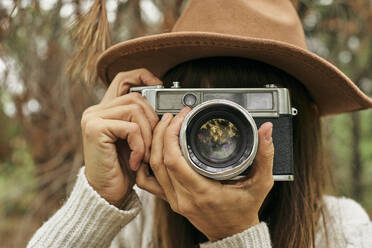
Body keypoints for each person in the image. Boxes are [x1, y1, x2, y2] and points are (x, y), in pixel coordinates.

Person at [27, 0, 372, 247]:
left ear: (293, 121)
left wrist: (234, 235)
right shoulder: (137, 221)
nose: (223, 133)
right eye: (200, 109)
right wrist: (98, 201)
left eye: (247, 111)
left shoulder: (342, 230)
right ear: (163, 115)